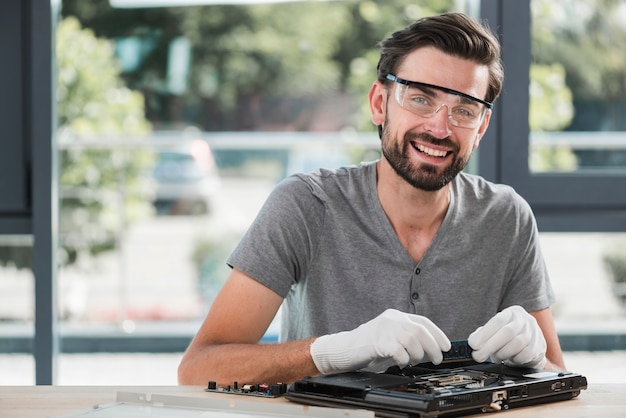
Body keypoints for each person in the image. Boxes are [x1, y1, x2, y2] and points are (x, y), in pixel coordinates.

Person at [178, 12, 566, 386]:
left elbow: (558, 376)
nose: (439, 127)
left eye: (464, 109)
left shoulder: (506, 217)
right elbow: (198, 368)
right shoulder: (306, 206)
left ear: (480, 127)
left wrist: (535, 360)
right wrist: (333, 352)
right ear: (380, 104)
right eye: (420, 99)